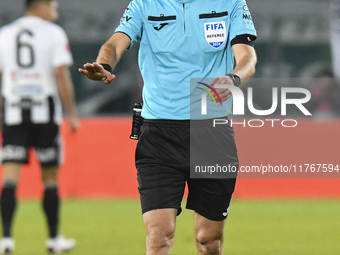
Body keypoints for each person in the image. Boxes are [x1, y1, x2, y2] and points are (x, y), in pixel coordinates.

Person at [79, 0, 257, 254]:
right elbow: (114, 44)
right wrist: (104, 65)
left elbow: (247, 56)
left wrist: (234, 77)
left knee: (209, 240)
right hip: (158, 135)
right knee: (158, 236)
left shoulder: (231, 3)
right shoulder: (143, 4)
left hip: (212, 133)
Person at [0, 0, 78, 253]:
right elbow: (61, 75)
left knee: (10, 177)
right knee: (50, 178)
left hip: (14, 113)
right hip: (45, 113)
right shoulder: (53, 33)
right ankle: (54, 240)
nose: (55, 12)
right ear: (41, 6)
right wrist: (72, 113)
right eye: (53, 6)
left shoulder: (5, 34)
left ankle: (6, 240)